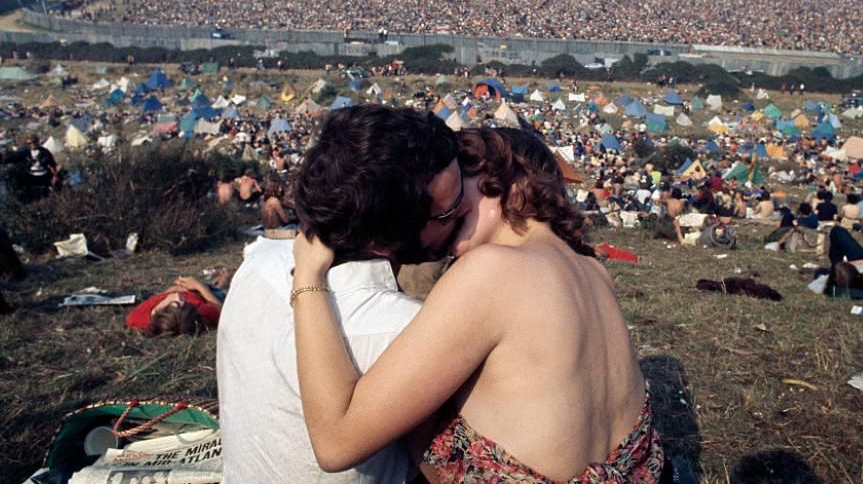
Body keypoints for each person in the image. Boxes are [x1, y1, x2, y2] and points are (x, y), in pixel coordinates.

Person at [291, 128, 664, 482]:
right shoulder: (595, 272)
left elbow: (336, 443)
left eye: (461, 179)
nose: (443, 206)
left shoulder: (492, 271)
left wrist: (308, 276)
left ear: (514, 183)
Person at [217, 105, 466, 484]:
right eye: (449, 213)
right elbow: (452, 471)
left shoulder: (257, 264)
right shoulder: (407, 331)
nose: (464, 215)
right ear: (386, 239)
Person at [125, 270, 229, 337]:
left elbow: (156, 299)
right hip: (203, 295)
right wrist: (198, 286)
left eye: (175, 302)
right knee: (220, 292)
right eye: (182, 301)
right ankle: (222, 282)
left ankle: (219, 281)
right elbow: (221, 311)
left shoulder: (136, 319)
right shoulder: (199, 311)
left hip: (185, 291)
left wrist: (170, 291)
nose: (179, 296)